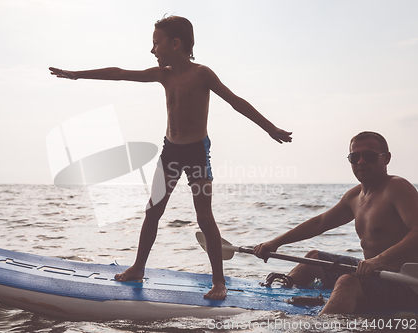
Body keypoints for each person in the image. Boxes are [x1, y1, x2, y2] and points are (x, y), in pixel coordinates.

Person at [50, 15, 292, 300]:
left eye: (156, 43)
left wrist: (270, 128)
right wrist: (78, 74)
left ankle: (219, 282)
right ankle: (139, 267)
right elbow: (120, 73)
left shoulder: (202, 74)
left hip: (197, 153)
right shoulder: (162, 74)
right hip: (171, 152)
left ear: (175, 44)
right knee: (153, 211)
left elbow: (235, 101)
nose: (152, 50)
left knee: (204, 216)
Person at [253, 131, 418, 314]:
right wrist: (275, 243)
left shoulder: (398, 188)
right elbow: (320, 223)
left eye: (369, 156)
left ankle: (320, 326)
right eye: (354, 157)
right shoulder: (354, 196)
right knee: (312, 259)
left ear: (386, 158)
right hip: (373, 273)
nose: (361, 162)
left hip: (408, 283)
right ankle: (278, 302)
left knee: (347, 281)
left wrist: (378, 261)